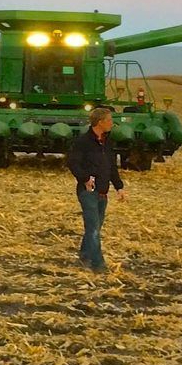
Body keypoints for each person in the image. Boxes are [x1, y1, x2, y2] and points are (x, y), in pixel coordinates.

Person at [67, 106, 126, 272]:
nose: (111, 124)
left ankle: (85, 256)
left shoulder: (107, 142)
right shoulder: (83, 142)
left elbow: (111, 166)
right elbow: (72, 163)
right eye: (109, 120)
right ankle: (98, 265)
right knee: (93, 229)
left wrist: (119, 187)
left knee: (95, 228)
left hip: (103, 192)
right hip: (88, 193)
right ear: (100, 122)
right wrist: (85, 178)